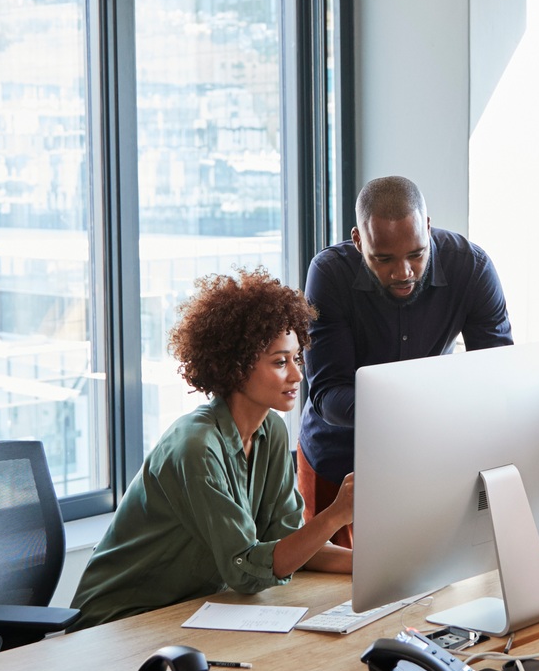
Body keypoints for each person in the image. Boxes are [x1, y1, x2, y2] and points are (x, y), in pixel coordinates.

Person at [70, 270, 352, 629]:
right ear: (236, 365)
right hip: (120, 622)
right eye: (281, 362)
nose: (297, 375)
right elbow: (248, 572)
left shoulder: (272, 432)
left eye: (298, 359)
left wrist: (378, 566)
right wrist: (334, 516)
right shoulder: (196, 447)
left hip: (192, 611)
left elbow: (289, 548)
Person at [298, 176, 511, 541]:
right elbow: (328, 394)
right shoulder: (329, 274)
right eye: (383, 259)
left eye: (416, 253)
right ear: (358, 240)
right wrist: (417, 407)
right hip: (338, 458)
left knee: (426, 587)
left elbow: (497, 376)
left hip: (425, 459)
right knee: (332, 592)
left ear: (427, 228)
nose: (403, 272)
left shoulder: (471, 268)